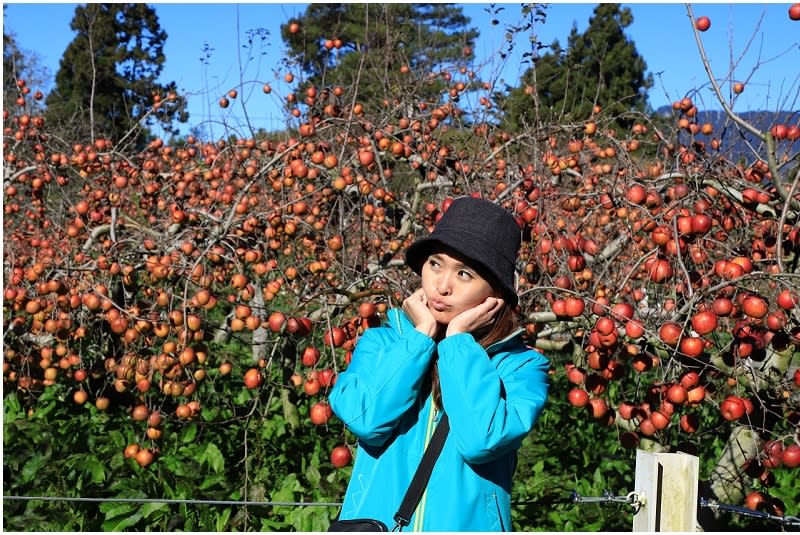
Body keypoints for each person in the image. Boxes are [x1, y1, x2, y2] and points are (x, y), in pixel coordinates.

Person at [329, 196, 550, 531]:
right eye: (435, 264)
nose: (442, 286)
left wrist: (457, 342)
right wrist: (419, 340)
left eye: (464, 274)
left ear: (495, 293)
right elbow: (365, 419)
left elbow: (482, 441)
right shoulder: (382, 342)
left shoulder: (521, 367)